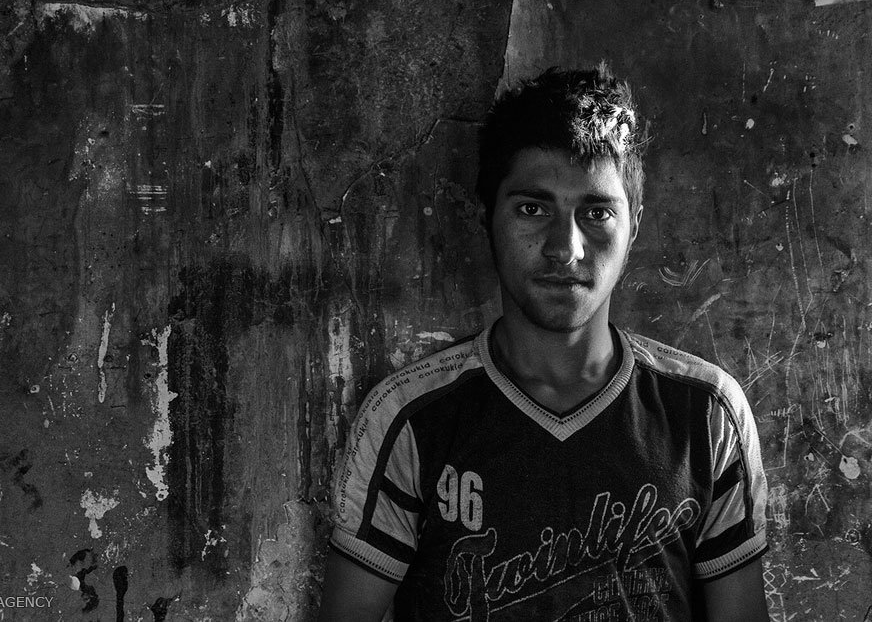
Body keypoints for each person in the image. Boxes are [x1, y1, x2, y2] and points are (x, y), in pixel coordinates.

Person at [319, 65, 769, 621]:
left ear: (634, 227)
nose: (565, 247)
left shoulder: (705, 413)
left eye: (596, 213)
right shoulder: (410, 419)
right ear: (487, 219)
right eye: (533, 209)